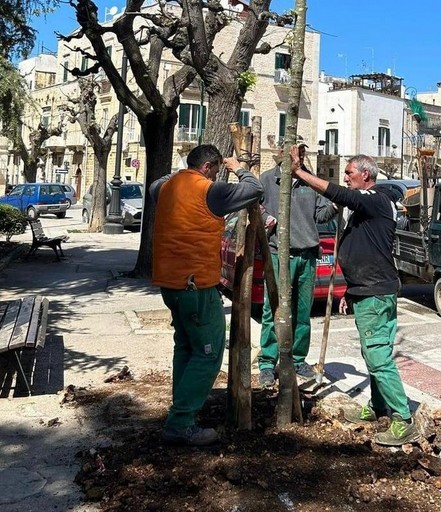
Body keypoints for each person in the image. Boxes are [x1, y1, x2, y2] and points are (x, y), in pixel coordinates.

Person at [290, 152, 419, 447]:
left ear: (366, 175)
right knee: (374, 353)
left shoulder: (373, 199)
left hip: (376, 293)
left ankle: (403, 418)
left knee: (377, 357)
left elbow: (337, 193)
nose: (346, 176)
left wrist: (300, 174)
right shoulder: (370, 205)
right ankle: (378, 407)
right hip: (368, 289)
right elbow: (365, 246)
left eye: (349, 172)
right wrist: (349, 289)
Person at [149, 144, 263, 446]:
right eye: (215, 170)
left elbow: (157, 183)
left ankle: (181, 408)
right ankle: (181, 422)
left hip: (169, 284)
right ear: (209, 167)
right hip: (195, 284)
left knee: (186, 346)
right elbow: (254, 188)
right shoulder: (210, 190)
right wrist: (238, 166)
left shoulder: (164, 188)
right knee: (209, 352)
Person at [256, 144, 337, 387]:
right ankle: (268, 363)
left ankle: (297, 359)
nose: (299, 157)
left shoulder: (310, 182)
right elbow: (252, 205)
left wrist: (335, 205)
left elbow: (321, 215)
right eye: (294, 152)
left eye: (302, 153)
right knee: (274, 309)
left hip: (307, 255)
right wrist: (265, 217)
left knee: (303, 312)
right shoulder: (268, 180)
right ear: (282, 155)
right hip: (278, 254)